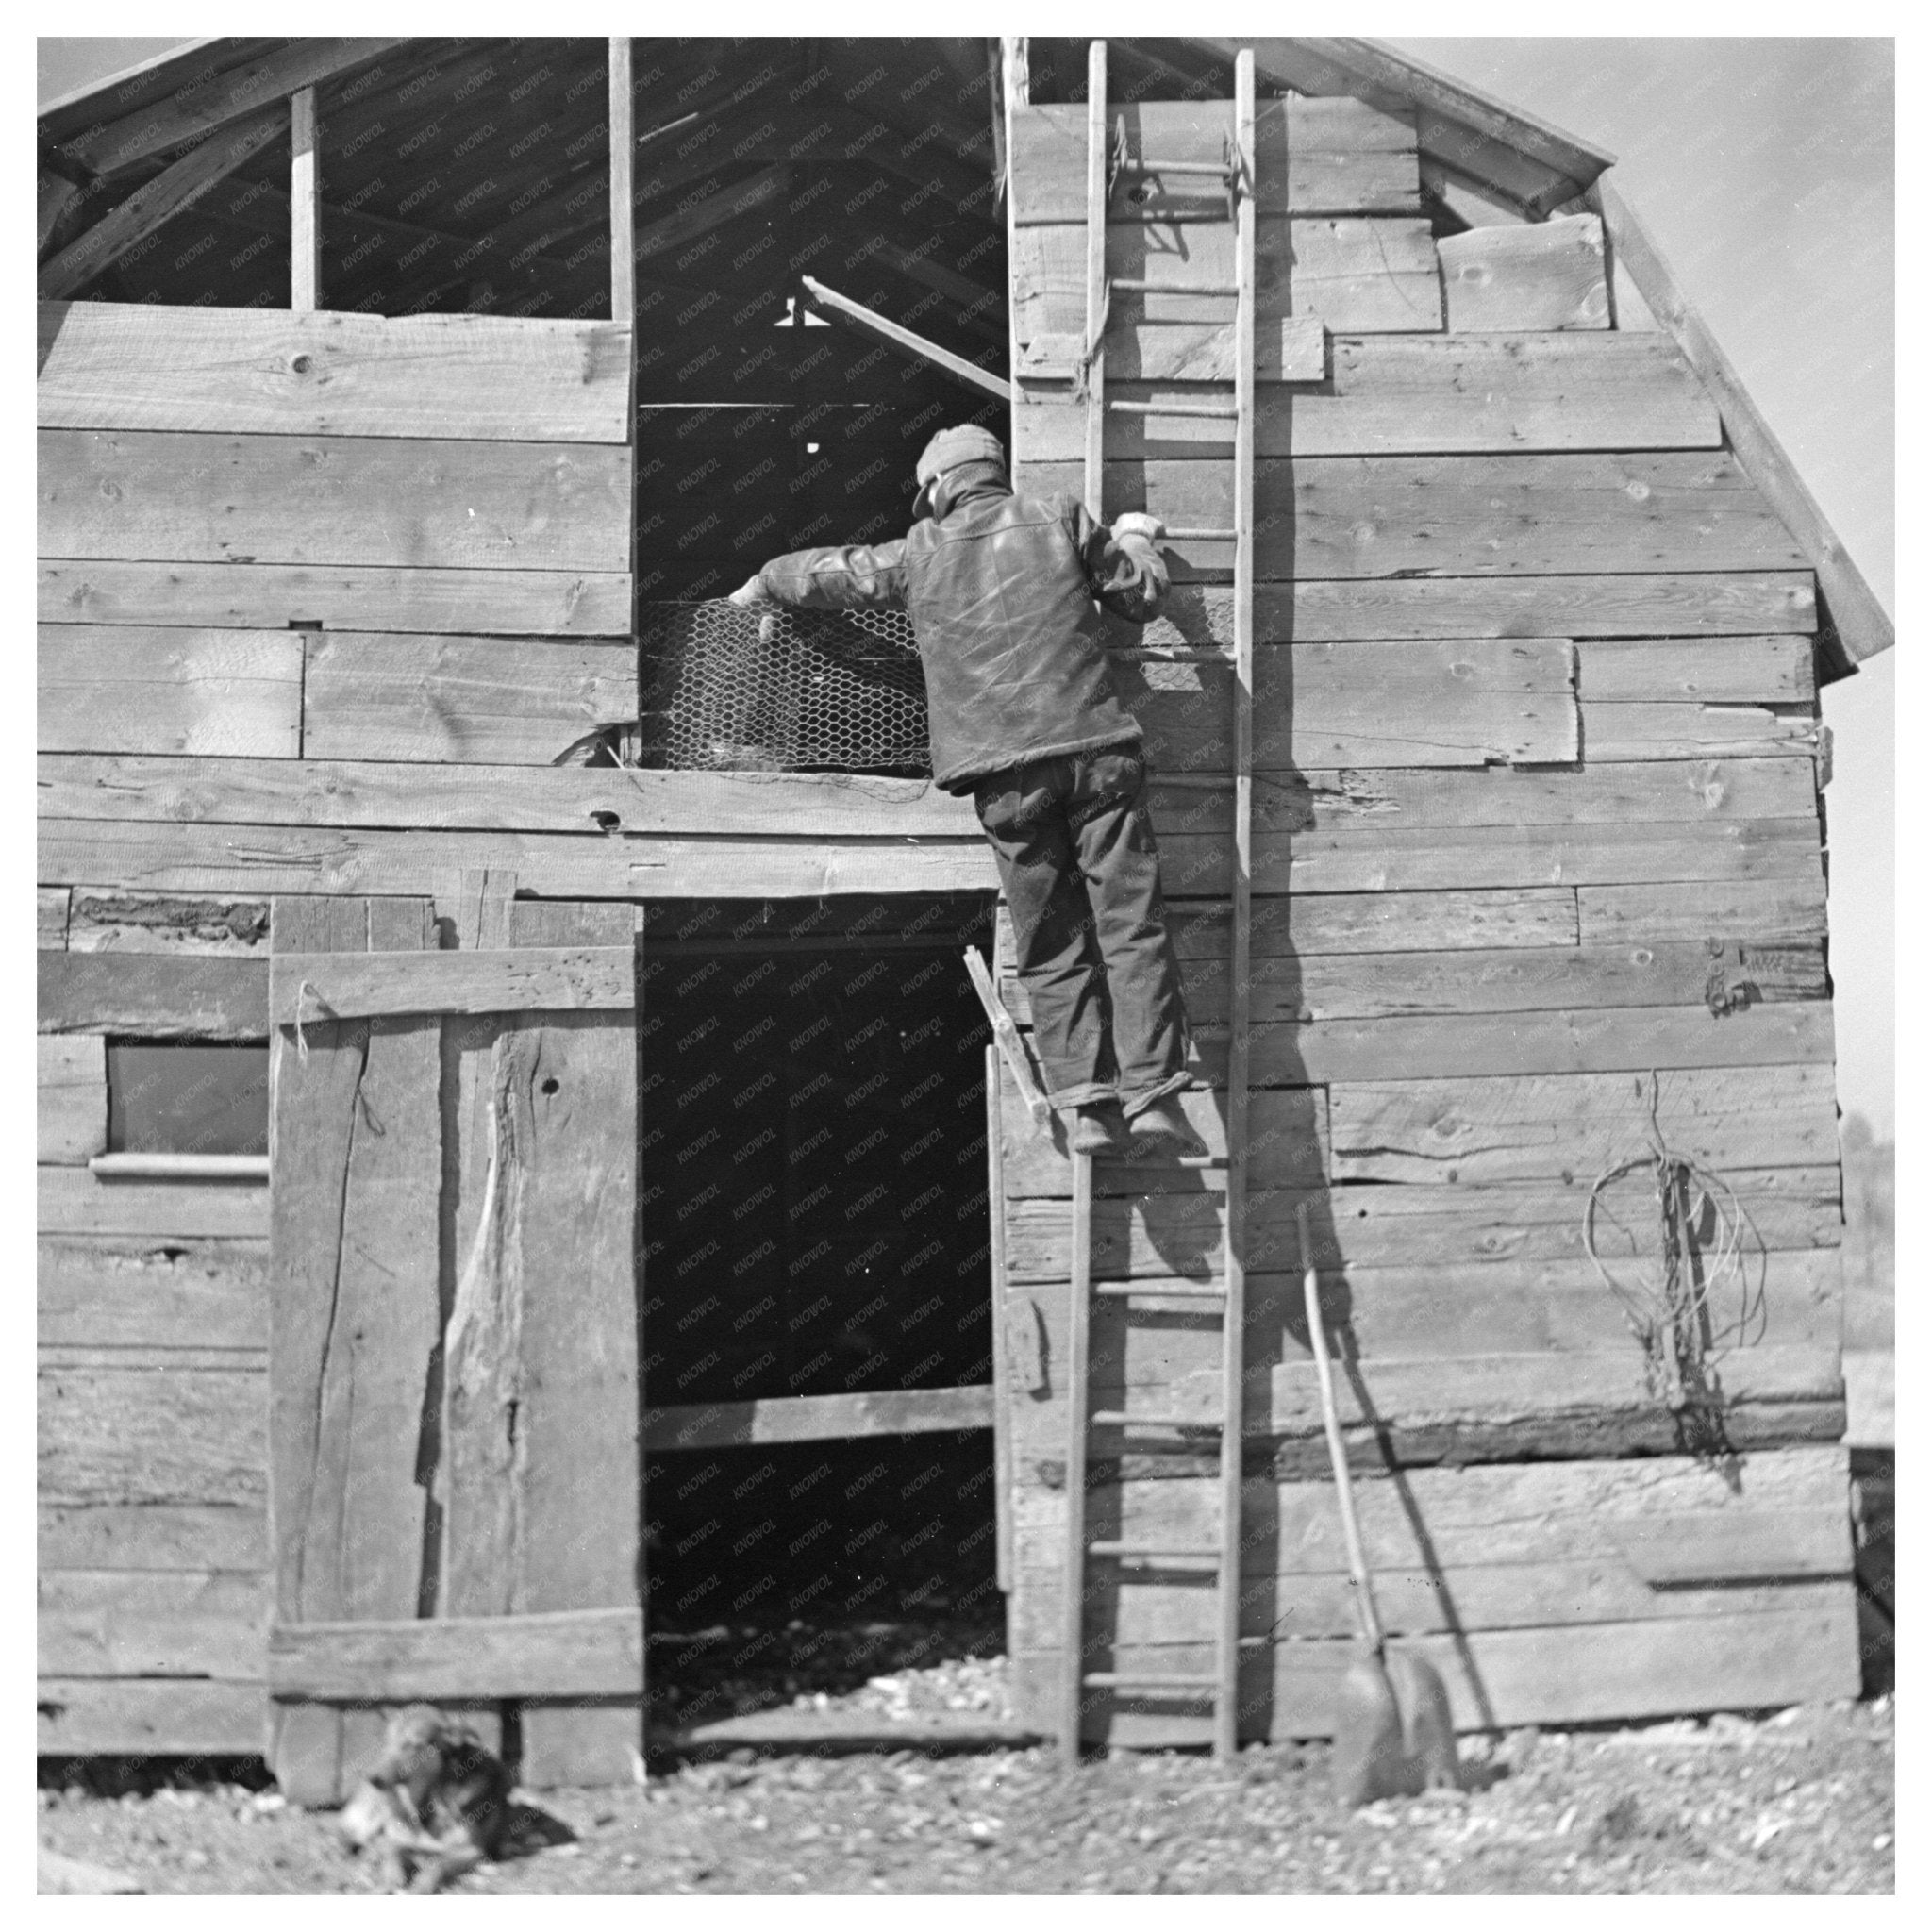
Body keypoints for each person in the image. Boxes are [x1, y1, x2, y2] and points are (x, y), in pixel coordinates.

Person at [729, 423, 1197, 1156]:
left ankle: (1087, 1106)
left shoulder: (919, 553)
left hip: (1004, 777)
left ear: (938, 489)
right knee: (1129, 925)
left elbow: (832, 572)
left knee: (1049, 938)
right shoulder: (1061, 515)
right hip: (1094, 754)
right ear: (994, 472)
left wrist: (763, 578)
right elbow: (1140, 597)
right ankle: (1156, 1100)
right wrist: (1137, 536)